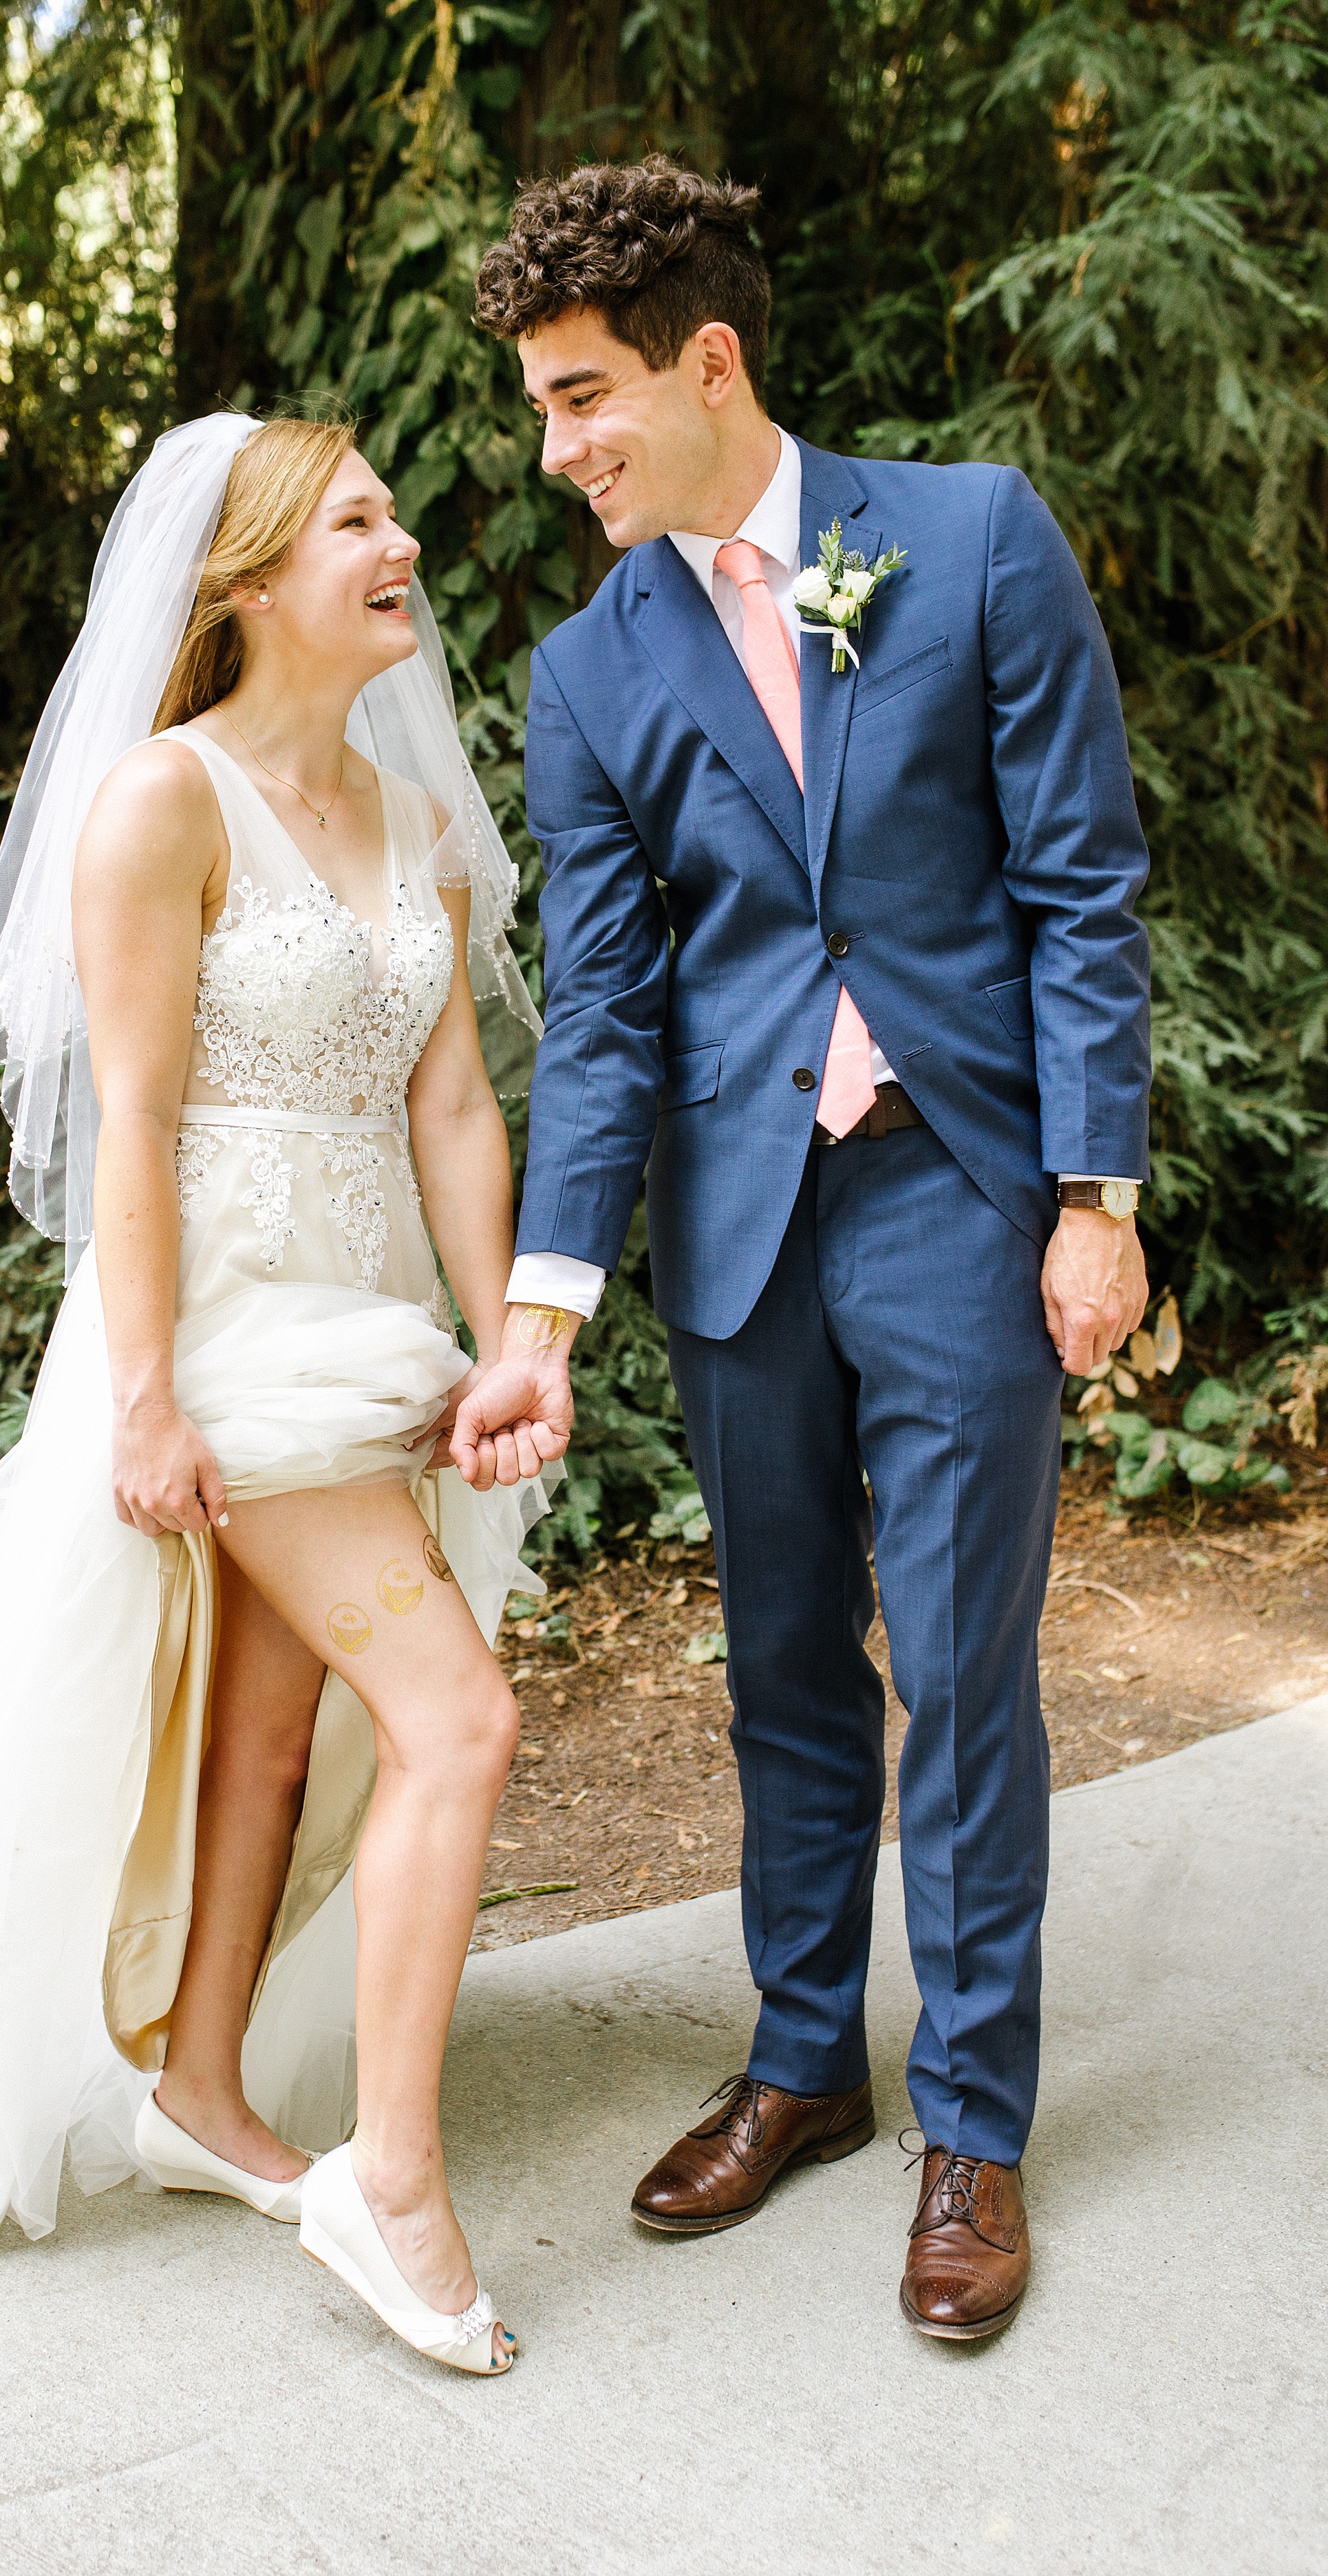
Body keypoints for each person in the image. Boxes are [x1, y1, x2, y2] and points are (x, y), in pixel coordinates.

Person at [0, 411, 559, 2377]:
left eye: (393, 514)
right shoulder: (160, 803)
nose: (403, 545)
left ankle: (198, 2086)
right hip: (219, 1333)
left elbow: (451, 1097)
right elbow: (131, 1114)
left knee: (271, 1739)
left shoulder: (414, 819)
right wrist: (143, 1395)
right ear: (245, 582)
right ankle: (390, 2185)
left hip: (374, 1335)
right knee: (459, 1719)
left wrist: (501, 1341)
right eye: (355, 521)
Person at [460, 157, 1151, 2340]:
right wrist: (548, 1303)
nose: (558, 449)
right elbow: (611, 1007)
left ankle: (969, 2119)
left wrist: (1091, 1200)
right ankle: (799, 2063)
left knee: (955, 1668)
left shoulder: (962, 539)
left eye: (583, 398)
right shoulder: (594, 668)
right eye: (542, 411)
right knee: (780, 1672)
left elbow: (1077, 889)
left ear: (708, 362)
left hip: (957, 1190)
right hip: (738, 1232)